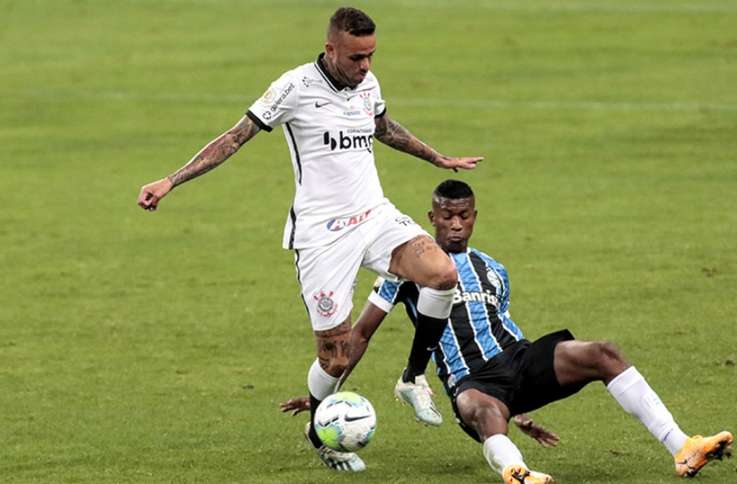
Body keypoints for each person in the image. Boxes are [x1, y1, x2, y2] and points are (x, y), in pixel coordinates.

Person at [137, 7, 483, 472]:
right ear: (331, 49)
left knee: (443, 273)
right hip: (322, 237)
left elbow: (382, 127)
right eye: (357, 57)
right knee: (336, 360)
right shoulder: (294, 88)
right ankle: (321, 431)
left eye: (372, 56)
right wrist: (170, 181)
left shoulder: (368, 85)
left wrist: (436, 158)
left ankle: (412, 377)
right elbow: (235, 138)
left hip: (375, 217)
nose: (366, 67)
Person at [281, 180, 734, 483]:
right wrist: (327, 393)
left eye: (464, 216)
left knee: (603, 353)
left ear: (474, 216)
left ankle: (683, 447)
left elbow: (505, 327)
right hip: (470, 382)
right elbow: (359, 335)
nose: (455, 224)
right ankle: (518, 473)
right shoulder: (403, 271)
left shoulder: (493, 269)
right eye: (446, 216)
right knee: (484, 411)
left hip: (517, 358)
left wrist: (524, 408)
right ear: (431, 218)